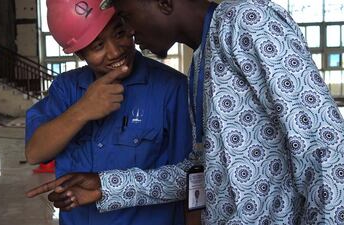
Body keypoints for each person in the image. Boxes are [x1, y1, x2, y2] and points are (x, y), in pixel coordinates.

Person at [26, 0, 344, 224]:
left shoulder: (246, 20)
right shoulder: (200, 67)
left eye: (126, 17)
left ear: (163, 2)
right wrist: (106, 186)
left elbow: (325, 147)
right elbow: (201, 175)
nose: (130, 35)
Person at [24, 0, 193, 224]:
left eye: (120, 33)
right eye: (97, 46)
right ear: (80, 54)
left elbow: (190, 178)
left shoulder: (172, 89)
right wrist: (82, 110)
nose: (115, 52)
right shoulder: (66, 89)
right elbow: (35, 153)